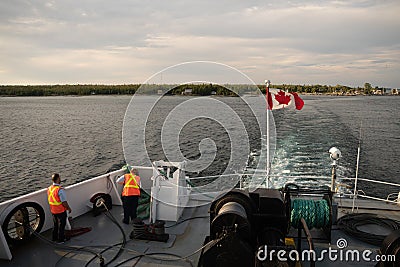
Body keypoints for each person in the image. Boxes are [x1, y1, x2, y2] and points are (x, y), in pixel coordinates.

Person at [47, 173, 72, 243]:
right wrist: (69, 208)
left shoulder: (49, 189)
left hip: (53, 210)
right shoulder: (60, 190)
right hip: (60, 211)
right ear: (58, 179)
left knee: (55, 225)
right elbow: (64, 202)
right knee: (62, 225)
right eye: (59, 178)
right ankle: (61, 240)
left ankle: (54, 238)